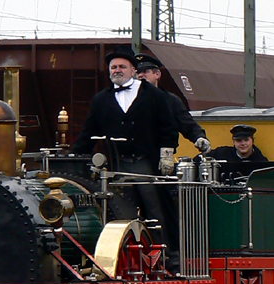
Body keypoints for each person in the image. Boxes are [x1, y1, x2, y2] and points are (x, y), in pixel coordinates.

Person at [73, 45, 179, 264]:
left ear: (133, 70)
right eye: (113, 67)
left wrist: (167, 155)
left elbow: (168, 127)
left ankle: (167, 258)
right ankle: (125, 259)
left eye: (122, 66)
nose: (117, 70)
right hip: (116, 166)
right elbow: (88, 132)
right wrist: (74, 157)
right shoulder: (101, 99)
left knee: (155, 211)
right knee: (121, 211)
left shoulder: (155, 95)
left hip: (147, 164)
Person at [136, 53, 212, 153]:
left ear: (157, 74)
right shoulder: (127, 99)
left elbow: (187, 124)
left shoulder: (170, 100)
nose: (141, 75)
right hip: (132, 155)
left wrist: (199, 138)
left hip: (160, 155)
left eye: (145, 71)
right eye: (138, 72)